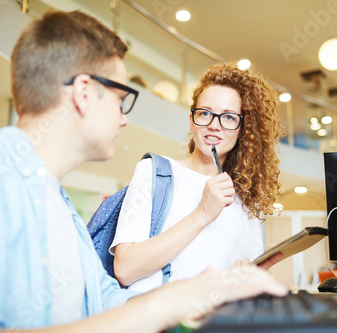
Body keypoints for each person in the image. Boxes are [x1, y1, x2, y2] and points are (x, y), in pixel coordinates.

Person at [0, 10, 288, 333]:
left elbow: (107, 303)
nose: (124, 116)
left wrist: (205, 291)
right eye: (121, 98)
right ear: (84, 93)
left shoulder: (61, 208)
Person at [111, 62, 284, 292]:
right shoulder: (156, 172)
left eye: (229, 117)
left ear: (243, 129)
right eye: (205, 113)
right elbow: (125, 269)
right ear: (192, 120)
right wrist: (203, 213)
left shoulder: (243, 197)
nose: (214, 125)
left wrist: (246, 277)